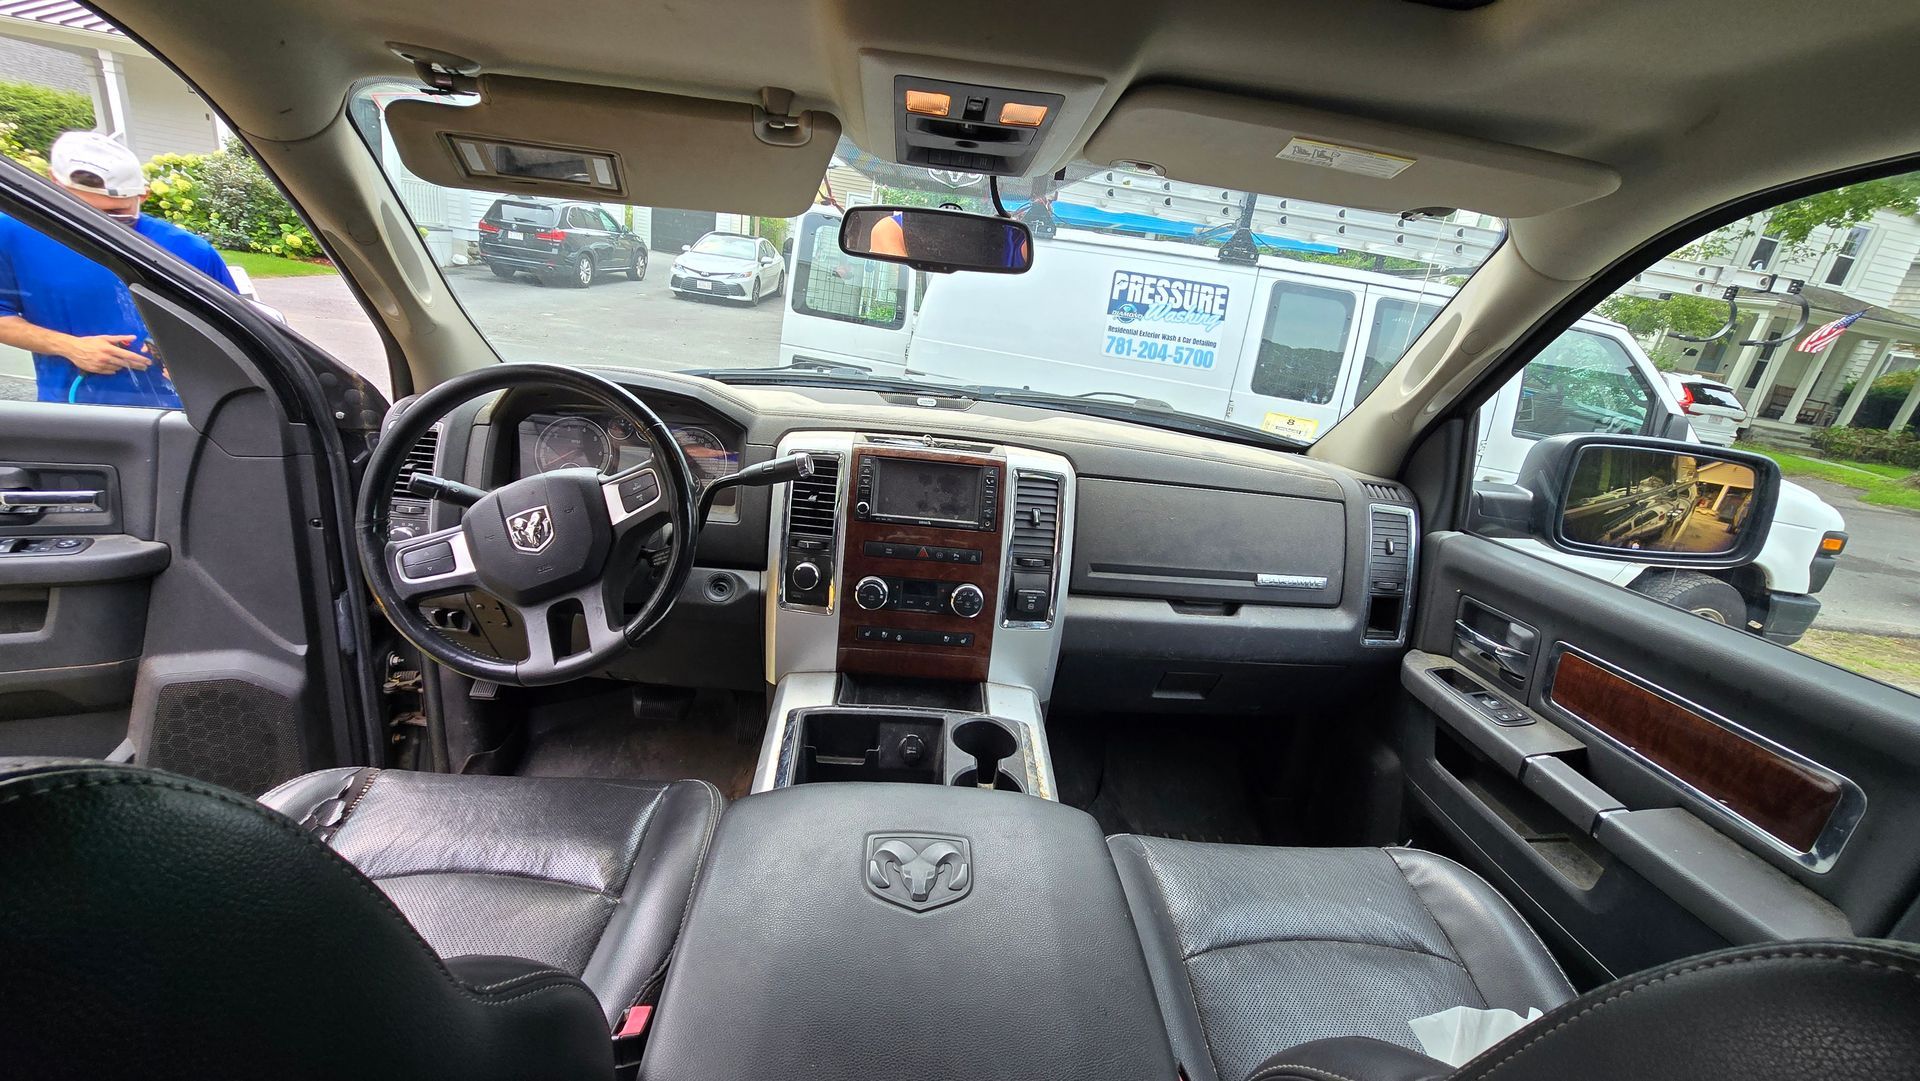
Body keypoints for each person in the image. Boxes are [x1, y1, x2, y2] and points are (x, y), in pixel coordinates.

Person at [0, 130, 237, 408]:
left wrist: (199, 364)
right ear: (53, 183)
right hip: (74, 414)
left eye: (116, 215)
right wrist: (70, 347)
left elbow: (235, 332)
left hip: (184, 416)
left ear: (143, 195)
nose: (97, 226)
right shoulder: (12, 235)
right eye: (78, 211)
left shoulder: (188, 250)